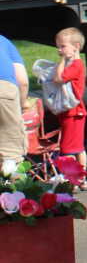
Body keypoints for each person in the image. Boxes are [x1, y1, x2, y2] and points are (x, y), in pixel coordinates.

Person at [51, 27, 87, 188]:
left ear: (76, 47)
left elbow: (58, 78)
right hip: (74, 112)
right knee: (78, 147)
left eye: (62, 46)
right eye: (58, 47)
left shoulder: (75, 66)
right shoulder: (74, 65)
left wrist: (61, 62)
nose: (59, 50)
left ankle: (73, 179)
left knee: (68, 149)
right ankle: (81, 178)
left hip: (72, 112)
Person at [0, 33, 28, 169]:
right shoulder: (3, 41)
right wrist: (22, 105)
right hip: (4, 92)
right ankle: (10, 181)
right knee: (10, 155)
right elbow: (22, 81)